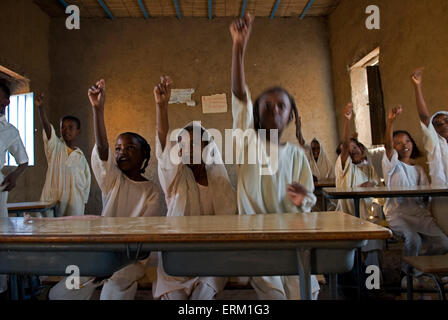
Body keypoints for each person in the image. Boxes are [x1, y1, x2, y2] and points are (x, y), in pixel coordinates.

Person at [230, 13, 319, 300]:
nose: (274, 111)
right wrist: (238, 48)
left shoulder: (296, 155)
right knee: (275, 295)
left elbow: (310, 199)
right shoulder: (246, 141)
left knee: (305, 292)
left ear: (291, 116)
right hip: (257, 240)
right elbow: (239, 96)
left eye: (281, 106)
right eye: (266, 106)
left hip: (293, 238)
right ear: (256, 114)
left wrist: (303, 197)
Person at [49, 79, 161, 300]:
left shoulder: (151, 191)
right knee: (73, 280)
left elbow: (144, 241)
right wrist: (97, 110)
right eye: (118, 148)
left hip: (132, 258)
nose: (122, 152)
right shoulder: (113, 180)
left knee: (119, 278)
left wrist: (112, 264)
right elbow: (102, 151)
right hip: (104, 252)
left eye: (130, 148)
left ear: (144, 157)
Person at [152, 75, 237, 300]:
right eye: (181, 144)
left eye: (192, 143)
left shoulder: (220, 184)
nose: (185, 149)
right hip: (178, 258)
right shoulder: (176, 179)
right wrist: (161, 107)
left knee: (204, 293)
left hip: (212, 260)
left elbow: (230, 224)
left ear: (207, 147)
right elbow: (162, 148)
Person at [382, 105, 448, 276]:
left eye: (407, 141)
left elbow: (426, 195)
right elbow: (387, 147)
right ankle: (407, 274)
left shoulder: (418, 169)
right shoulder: (392, 166)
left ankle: (419, 268)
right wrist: (390, 122)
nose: (404, 146)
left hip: (418, 213)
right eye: (398, 143)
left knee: (443, 243)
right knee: (414, 239)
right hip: (398, 214)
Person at [336, 102, 383, 269]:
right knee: (354, 252)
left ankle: (374, 285)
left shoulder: (367, 166)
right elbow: (345, 146)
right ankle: (357, 284)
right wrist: (347, 120)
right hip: (350, 213)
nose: (353, 150)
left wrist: (372, 183)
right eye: (349, 149)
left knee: (373, 249)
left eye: (356, 147)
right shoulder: (344, 166)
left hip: (368, 213)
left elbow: (377, 182)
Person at [35, 93, 90, 216]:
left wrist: (82, 201)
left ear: (78, 132)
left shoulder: (80, 157)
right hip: (53, 200)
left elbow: (86, 183)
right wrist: (40, 108)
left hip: (74, 204)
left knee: (72, 231)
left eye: (71, 127)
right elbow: (47, 128)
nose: (66, 130)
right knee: (50, 231)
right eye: (63, 127)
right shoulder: (55, 147)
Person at [411, 67, 448, 235]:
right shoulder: (434, 144)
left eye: (447, 121)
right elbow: (425, 117)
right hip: (441, 194)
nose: (443, 125)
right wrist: (417, 87)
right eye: (438, 123)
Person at [0, 80, 28, 294]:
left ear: (6, 101)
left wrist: (14, 176)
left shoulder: (9, 130)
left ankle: (2, 288)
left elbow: (24, 160)